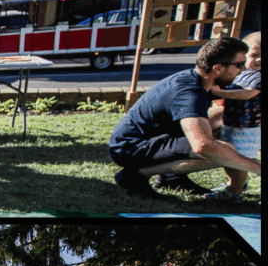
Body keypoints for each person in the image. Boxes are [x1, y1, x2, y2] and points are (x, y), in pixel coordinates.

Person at [109, 36, 261, 199]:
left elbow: (217, 117)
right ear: (217, 68)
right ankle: (135, 175)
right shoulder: (190, 93)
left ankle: (172, 178)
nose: (243, 70)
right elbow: (202, 145)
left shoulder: (200, 80)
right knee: (224, 150)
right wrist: (257, 168)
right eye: (239, 65)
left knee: (221, 131)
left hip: (151, 139)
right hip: (130, 149)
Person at [204, 31, 260, 201]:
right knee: (229, 158)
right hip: (232, 123)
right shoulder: (241, 73)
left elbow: (247, 94)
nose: (260, 60)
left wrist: (219, 92)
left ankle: (234, 193)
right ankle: (236, 184)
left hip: (248, 128)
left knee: (240, 160)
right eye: (254, 55)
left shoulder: (259, 77)